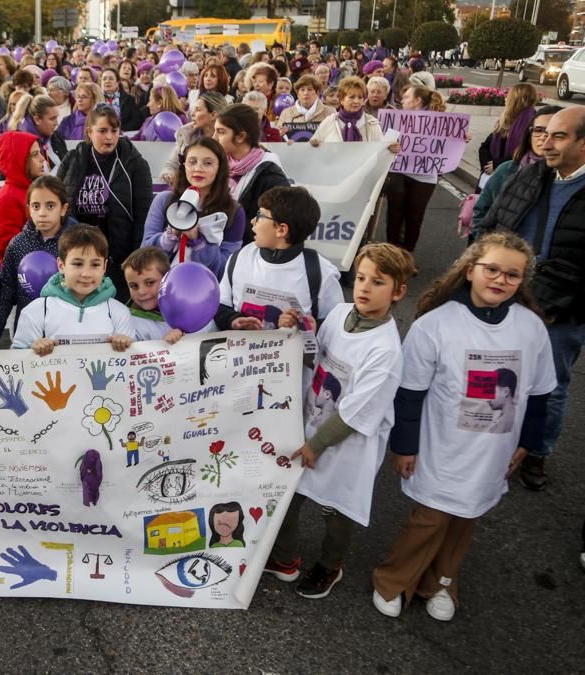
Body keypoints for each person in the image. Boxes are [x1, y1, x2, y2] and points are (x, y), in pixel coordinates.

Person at [372, 233, 554, 622]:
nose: (500, 279)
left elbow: (540, 393)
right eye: (492, 269)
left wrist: (528, 442)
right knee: (430, 518)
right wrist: (404, 446)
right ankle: (393, 579)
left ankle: (441, 583)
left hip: (494, 451)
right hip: (442, 447)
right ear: (470, 270)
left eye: (512, 274)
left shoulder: (532, 328)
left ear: (522, 281)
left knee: (465, 517)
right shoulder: (435, 326)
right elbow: (409, 394)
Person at [266, 243, 414, 600]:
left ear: (398, 292)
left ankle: (330, 565)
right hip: (312, 424)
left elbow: (355, 410)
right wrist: (297, 329)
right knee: (289, 495)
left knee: (336, 508)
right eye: (361, 278)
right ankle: (284, 557)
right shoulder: (340, 313)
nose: (364, 288)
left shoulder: (385, 350)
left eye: (378, 282)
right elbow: (316, 355)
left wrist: (316, 444)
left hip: (346, 445)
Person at [476, 107, 585, 490]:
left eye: (558, 136)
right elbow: (493, 225)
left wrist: (547, 302)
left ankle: (536, 451)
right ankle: (489, 439)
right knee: (496, 371)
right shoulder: (529, 175)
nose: (545, 143)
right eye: (544, 133)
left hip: (560, 313)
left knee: (549, 384)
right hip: (507, 299)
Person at [57, 106, 152, 303]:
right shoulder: (72, 160)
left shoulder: (135, 164)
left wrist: (135, 258)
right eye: (102, 131)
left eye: (114, 131)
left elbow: (144, 216)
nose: (109, 137)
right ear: (89, 132)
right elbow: (59, 203)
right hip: (80, 256)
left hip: (119, 258)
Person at [216, 186, 342, 333]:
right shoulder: (240, 257)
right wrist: (233, 319)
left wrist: (311, 327)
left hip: (294, 348)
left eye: (260, 215)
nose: (253, 221)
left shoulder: (321, 272)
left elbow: (336, 326)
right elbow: (220, 306)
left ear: (281, 230)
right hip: (240, 346)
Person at [11, 224, 133, 355]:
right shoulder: (35, 311)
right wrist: (31, 349)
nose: (86, 274)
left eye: (95, 264)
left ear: (104, 267)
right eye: (77, 264)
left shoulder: (120, 313)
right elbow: (17, 360)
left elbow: (133, 361)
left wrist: (127, 346)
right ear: (61, 265)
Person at [0, 175, 78, 344]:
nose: (42, 213)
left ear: (63, 209)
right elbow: (8, 288)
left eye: (50, 206)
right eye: (36, 206)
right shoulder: (18, 244)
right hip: (29, 332)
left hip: (68, 331)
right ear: (28, 209)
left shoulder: (78, 242)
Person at [143, 137, 245, 278]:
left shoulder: (233, 211)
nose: (198, 169)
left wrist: (198, 242)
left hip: (206, 287)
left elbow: (226, 269)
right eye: (192, 162)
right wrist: (171, 235)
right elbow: (144, 254)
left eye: (208, 163)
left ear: (220, 168)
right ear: (184, 165)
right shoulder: (163, 200)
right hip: (163, 286)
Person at [471, 105, 562, 234]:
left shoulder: (568, 177)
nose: (544, 137)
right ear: (529, 134)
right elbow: (481, 212)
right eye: (538, 130)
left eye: (555, 133)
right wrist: (485, 242)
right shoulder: (506, 170)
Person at [382, 85, 446, 252]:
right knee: (394, 214)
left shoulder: (439, 121)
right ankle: (391, 252)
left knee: (414, 217)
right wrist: (390, 146)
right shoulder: (397, 118)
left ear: (417, 101)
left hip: (425, 177)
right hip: (399, 172)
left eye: (406, 97)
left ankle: (407, 253)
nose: (402, 100)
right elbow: (385, 142)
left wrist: (462, 138)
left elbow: (448, 143)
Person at [214, 104, 289, 244]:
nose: (214, 137)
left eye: (221, 132)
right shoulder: (216, 164)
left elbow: (276, 223)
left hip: (250, 249)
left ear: (241, 136)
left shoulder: (270, 174)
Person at [0, 131, 45, 260]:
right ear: (20, 160)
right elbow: (7, 249)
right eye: (35, 154)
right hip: (28, 269)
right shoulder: (7, 198)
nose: (42, 159)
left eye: (40, 152)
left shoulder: (37, 189)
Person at [121, 247, 188, 343]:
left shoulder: (189, 308)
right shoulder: (127, 322)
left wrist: (185, 336)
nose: (141, 292)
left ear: (167, 279)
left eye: (150, 283)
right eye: (134, 286)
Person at [160, 92, 230, 183]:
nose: (192, 114)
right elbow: (171, 165)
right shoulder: (186, 135)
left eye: (198, 110)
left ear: (213, 115)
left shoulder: (227, 140)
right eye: (193, 109)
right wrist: (169, 174)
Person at [478, 83, 539, 183]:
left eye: (509, 96)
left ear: (517, 100)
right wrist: (487, 164)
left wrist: (497, 165)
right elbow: (485, 146)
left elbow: (524, 152)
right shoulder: (504, 120)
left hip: (513, 179)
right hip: (491, 176)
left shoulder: (532, 123)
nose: (505, 99)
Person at [4, 94, 67, 174]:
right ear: (37, 119)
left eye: (56, 118)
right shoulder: (17, 143)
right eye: (52, 119)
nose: (56, 123)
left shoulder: (56, 137)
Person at [275, 74, 334, 143]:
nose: (306, 93)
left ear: (317, 93)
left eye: (310, 89)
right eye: (302, 90)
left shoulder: (330, 112)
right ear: (298, 94)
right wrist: (280, 134)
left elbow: (335, 137)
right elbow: (278, 138)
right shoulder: (286, 113)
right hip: (293, 149)